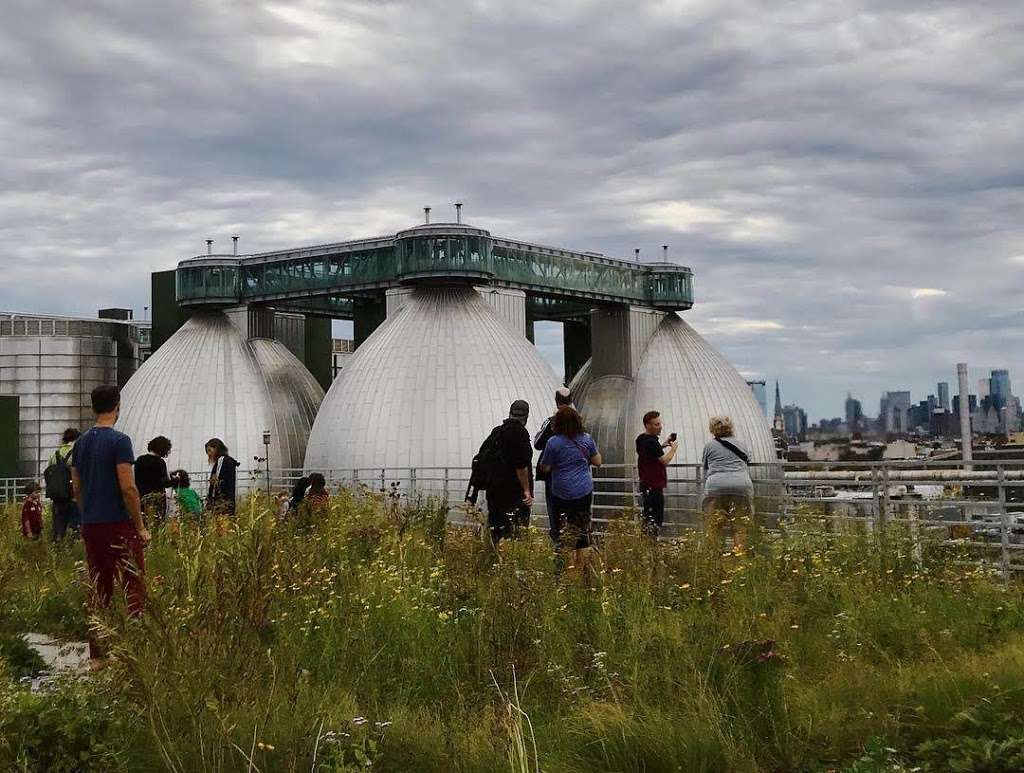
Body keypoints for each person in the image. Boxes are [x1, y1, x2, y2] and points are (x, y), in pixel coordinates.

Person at [71, 384, 149, 668]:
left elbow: (76, 486)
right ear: (118, 405)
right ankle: (135, 650)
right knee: (134, 583)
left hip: (91, 524)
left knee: (99, 588)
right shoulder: (120, 441)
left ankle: (98, 657)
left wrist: (86, 512)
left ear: (93, 407)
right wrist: (140, 526)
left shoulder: (80, 443)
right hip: (117, 523)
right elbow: (128, 486)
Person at [538, 406, 602, 570]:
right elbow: (598, 462)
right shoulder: (587, 439)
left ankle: (565, 568)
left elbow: (544, 467)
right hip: (583, 491)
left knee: (562, 530)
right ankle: (583, 568)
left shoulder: (553, 442)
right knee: (582, 528)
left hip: (561, 492)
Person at [701, 416, 755, 553]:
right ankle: (738, 557)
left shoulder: (709, 446)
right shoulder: (741, 444)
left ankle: (713, 558)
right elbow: (748, 460)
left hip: (716, 488)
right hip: (741, 487)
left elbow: (705, 466)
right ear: (730, 427)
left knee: (713, 527)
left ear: (712, 429)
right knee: (740, 526)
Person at [485, 400, 534, 546]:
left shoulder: (497, 432)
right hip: (513, 494)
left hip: (495, 493)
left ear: (510, 413)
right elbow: (521, 465)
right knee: (515, 533)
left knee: (497, 530)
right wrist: (526, 490)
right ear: (526, 417)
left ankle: (496, 559)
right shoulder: (520, 433)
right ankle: (510, 564)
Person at [534, 387, 574, 544]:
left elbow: (537, 443)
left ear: (557, 402)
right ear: (571, 401)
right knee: (575, 519)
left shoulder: (551, 422)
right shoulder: (579, 423)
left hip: (554, 478)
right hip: (576, 478)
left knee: (556, 519)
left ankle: (560, 555)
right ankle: (576, 558)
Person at [635, 410, 679, 536]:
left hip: (645, 483)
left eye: (660, 423)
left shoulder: (641, 439)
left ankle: (647, 545)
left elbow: (651, 454)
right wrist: (673, 449)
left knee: (648, 516)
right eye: (656, 424)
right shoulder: (652, 442)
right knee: (656, 517)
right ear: (647, 425)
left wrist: (663, 445)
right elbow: (664, 461)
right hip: (654, 485)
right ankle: (652, 545)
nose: (660, 427)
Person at [45, 428, 81, 540]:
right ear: (77, 439)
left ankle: (58, 546)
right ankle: (73, 551)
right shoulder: (77, 452)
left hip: (57, 496)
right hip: (73, 496)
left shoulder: (54, 454)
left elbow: (49, 472)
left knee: (58, 526)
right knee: (75, 527)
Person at [134, 436, 172, 522]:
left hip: (142, 497)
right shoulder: (160, 462)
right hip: (157, 499)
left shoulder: (140, 460)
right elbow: (165, 483)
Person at [205, 438, 239, 515]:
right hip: (227, 503)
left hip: (221, 504)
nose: (208, 454)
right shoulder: (227, 461)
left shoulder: (222, 461)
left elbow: (215, 484)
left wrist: (211, 501)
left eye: (210, 450)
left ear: (216, 449)